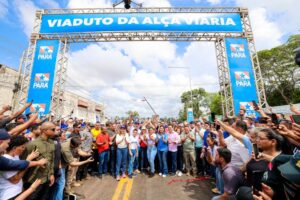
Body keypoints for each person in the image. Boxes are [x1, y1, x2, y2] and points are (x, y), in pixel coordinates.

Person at [0, 136, 47, 200]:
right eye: (22, 147)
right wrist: (28, 162)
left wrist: (28, 160)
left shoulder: (16, 156)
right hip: (10, 195)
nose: (24, 149)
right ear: (14, 148)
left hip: (18, 192)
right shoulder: (6, 159)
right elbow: (15, 180)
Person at [22, 122, 56, 200]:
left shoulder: (52, 143)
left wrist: (51, 174)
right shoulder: (32, 144)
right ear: (44, 130)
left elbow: (52, 159)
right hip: (34, 180)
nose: (55, 131)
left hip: (46, 179)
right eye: (53, 129)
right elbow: (24, 161)